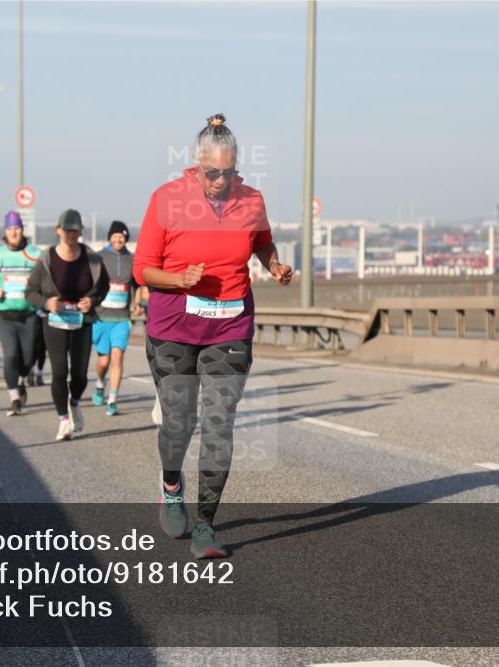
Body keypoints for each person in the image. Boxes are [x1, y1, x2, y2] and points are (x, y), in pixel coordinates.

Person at [133, 114, 293, 559]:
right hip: (173, 328)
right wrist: (178, 279)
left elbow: (261, 241)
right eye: (212, 173)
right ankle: (171, 485)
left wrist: (274, 264)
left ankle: (205, 525)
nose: (221, 181)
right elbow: (141, 268)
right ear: (195, 163)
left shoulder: (252, 198)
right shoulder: (166, 200)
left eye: (229, 171)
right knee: (178, 423)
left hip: (230, 326)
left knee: (219, 423)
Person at [25, 209, 109, 440]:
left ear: (80, 231)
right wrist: (46, 302)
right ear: (58, 230)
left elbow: (104, 288)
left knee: (80, 375)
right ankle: (63, 419)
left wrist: (92, 300)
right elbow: (30, 292)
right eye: (66, 229)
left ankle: (74, 402)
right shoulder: (46, 259)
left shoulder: (92, 259)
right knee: (60, 372)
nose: (71, 234)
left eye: (75, 230)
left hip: (82, 321)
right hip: (55, 322)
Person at [0, 211, 43, 416]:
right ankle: (14, 397)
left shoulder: (34, 254)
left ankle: (23, 380)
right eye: (9, 229)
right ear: (4, 232)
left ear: (22, 230)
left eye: (16, 228)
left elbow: (44, 280)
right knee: (10, 356)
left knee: (27, 358)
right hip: (5, 315)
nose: (13, 232)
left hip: (29, 315)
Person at [91, 220, 139, 416]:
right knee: (104, 361)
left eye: (122, 236)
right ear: (109, 237)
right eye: (115, 235)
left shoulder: (132, 259)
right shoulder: (99, 257)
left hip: (122, 318)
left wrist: (136, 302)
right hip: (101, 318)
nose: (119, 238)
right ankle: (100, 383)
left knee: (118, 357)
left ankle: (112, 400)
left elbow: (137, 284)